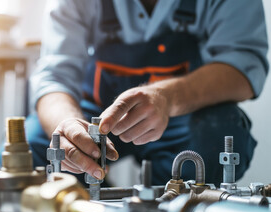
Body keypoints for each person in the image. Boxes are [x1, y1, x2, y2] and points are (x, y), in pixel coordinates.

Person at [23, 0, 268, 186]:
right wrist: (66, 125)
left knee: (221, 137)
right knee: (32, 147)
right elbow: (54, 77)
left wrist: (167, 97)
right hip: (95, 117)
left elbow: (244, 66)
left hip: (185, 115)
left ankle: (174, 211)